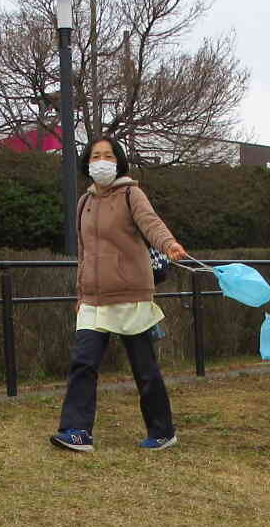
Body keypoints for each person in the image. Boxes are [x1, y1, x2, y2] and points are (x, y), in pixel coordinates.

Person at [49, 137, 189, 453]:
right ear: (87, 163)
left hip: (131, 295)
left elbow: (151, 224)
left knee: (144, 368)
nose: (101, 161)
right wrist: (80, 294)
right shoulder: (84, 203)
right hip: (93, 300)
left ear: (119, 162)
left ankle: (162, 431)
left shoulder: (131, 194)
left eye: (108, 156)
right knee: (82, 363)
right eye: (95, 156)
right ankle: (76, 431)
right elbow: (84, 253)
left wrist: (169, 244)